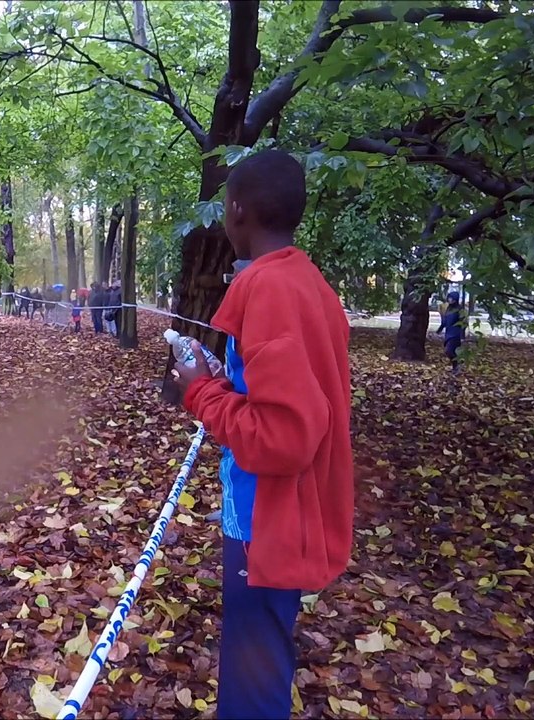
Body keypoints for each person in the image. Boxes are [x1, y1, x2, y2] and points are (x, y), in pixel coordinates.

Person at [173, 150, 353, 720]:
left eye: (225, 204)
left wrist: (199, 393)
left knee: (254, 674)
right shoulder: (307, 284)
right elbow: (290, 398)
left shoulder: (271, 291)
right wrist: (222, 383)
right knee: (260, 652)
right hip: (284, 514)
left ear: (238, 210)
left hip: (267, 523)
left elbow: (283, 438)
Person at [436, 291, 466, 375]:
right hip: (448, 333)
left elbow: (463, 323)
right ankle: (455, 367)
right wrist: (439, 330)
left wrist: (462, 336)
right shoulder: (448, 308)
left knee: (449, 351)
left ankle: (457, 366)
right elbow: (445, 321)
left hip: (455, 334)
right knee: (451, 351)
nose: (449, 299)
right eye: (449, 298)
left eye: (451, 298)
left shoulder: (460, 309)